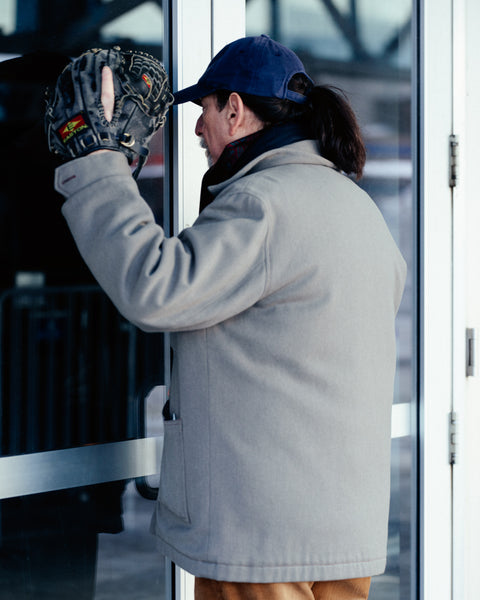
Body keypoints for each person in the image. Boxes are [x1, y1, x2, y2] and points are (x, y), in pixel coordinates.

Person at [53, 35, 406, 600]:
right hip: (343, 531)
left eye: (204, 111)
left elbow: (156, 287)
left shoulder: (263, 203)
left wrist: (100, 170)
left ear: (235, 109)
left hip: (263, 542)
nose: (196, 130)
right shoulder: (356, 206)